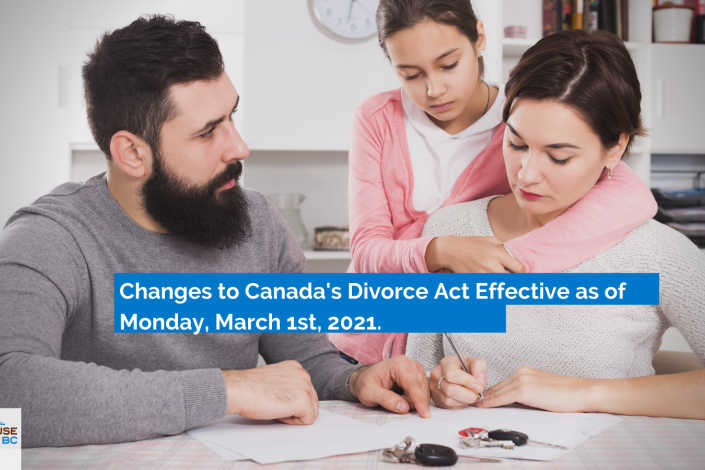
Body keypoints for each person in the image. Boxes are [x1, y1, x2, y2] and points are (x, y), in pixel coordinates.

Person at [0, 15, 431, 449]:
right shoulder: (50, 238)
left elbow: (306, 360)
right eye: (207, 131)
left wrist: (356, 379)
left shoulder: (258, 223)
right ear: (131, 152)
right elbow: (8, 388)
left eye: (231, 116)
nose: (239, 147)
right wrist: (227, 390)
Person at [330, 0, 657, 365]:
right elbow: (366, 250)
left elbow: (631, 195)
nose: (434, 89)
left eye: (448, 64)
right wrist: (442, 250)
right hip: (360, 340)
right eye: (410, 74)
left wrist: (514, 264)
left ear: (479, 39)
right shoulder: (377, 118)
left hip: (458, 348)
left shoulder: (524, 115)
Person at [406, 29, 705, 419]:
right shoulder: (450, 231)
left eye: (558, 156)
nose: (527, 175)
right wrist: (439, 383)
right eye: (516, 144)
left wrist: (586, 393)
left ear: (614, 147)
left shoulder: (660, 253)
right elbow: (421, 368)